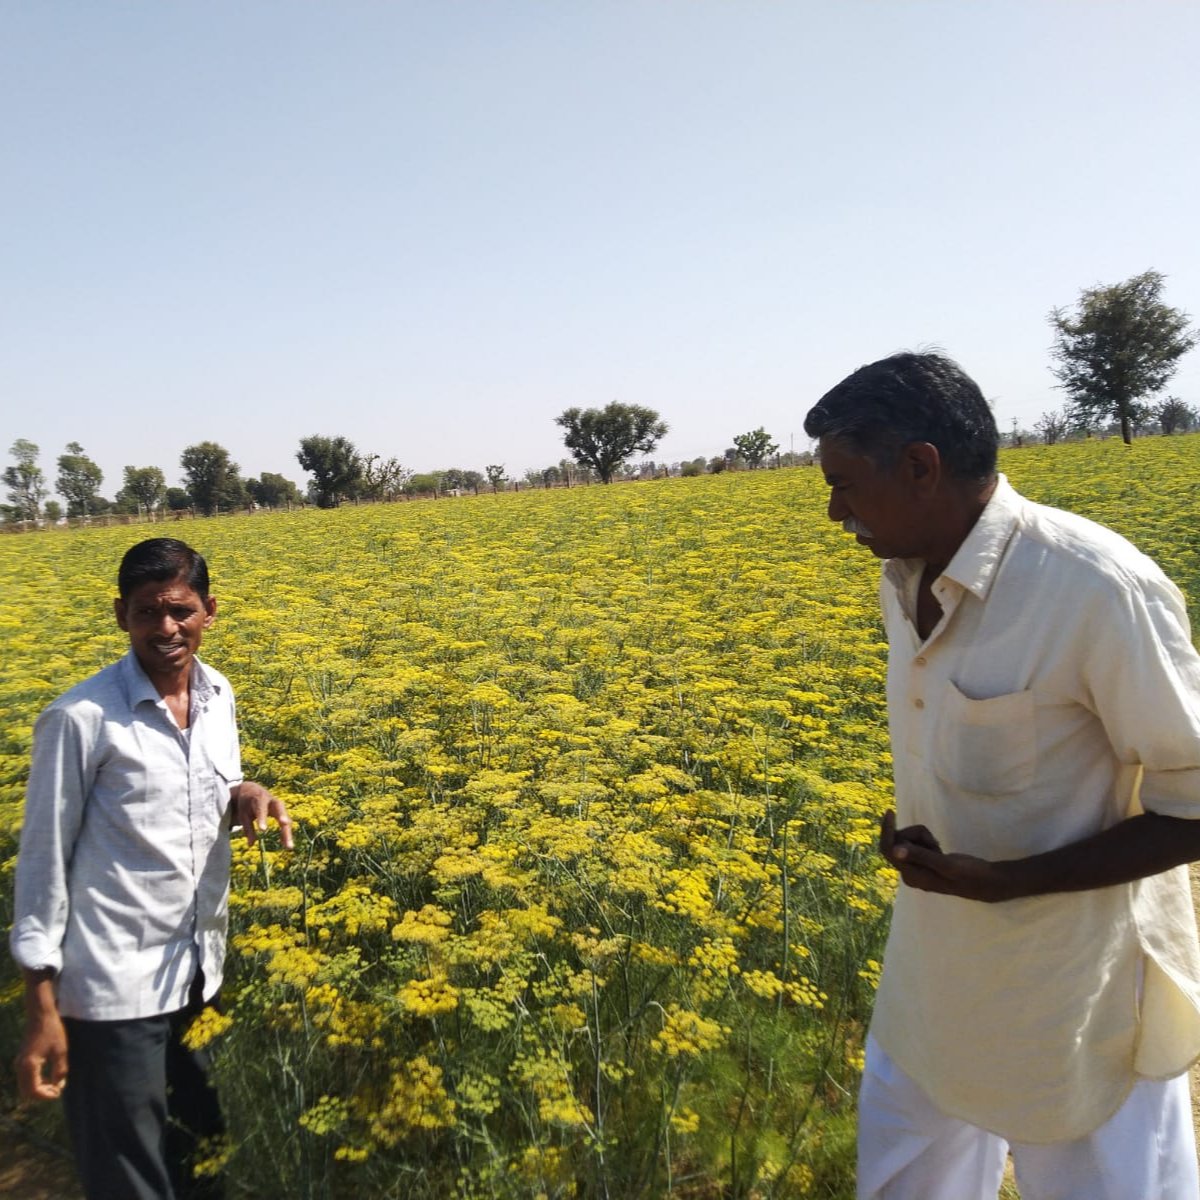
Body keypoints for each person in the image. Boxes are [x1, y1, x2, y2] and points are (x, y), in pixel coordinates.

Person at [804, 353, 1200, 1200]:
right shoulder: (902, 573)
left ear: (920, 468)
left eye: (844, 485)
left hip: (1073, 985)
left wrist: (1013, 881)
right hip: (936, 964)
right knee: (908, 1170)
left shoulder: (1094, 587)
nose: (834, 512)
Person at [10, 537, 293, 1200]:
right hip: (114, 987)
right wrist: (40, 1005)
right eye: (146, 612)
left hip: (199, 972)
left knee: (204, 1155)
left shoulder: (218, 693)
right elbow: (42, 864)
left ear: (209, 610)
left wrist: (244, 796)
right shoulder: (80, 719)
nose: (166, 628)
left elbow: (207, 791)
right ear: (121, 615)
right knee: (130, 1177)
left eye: (180, 610)